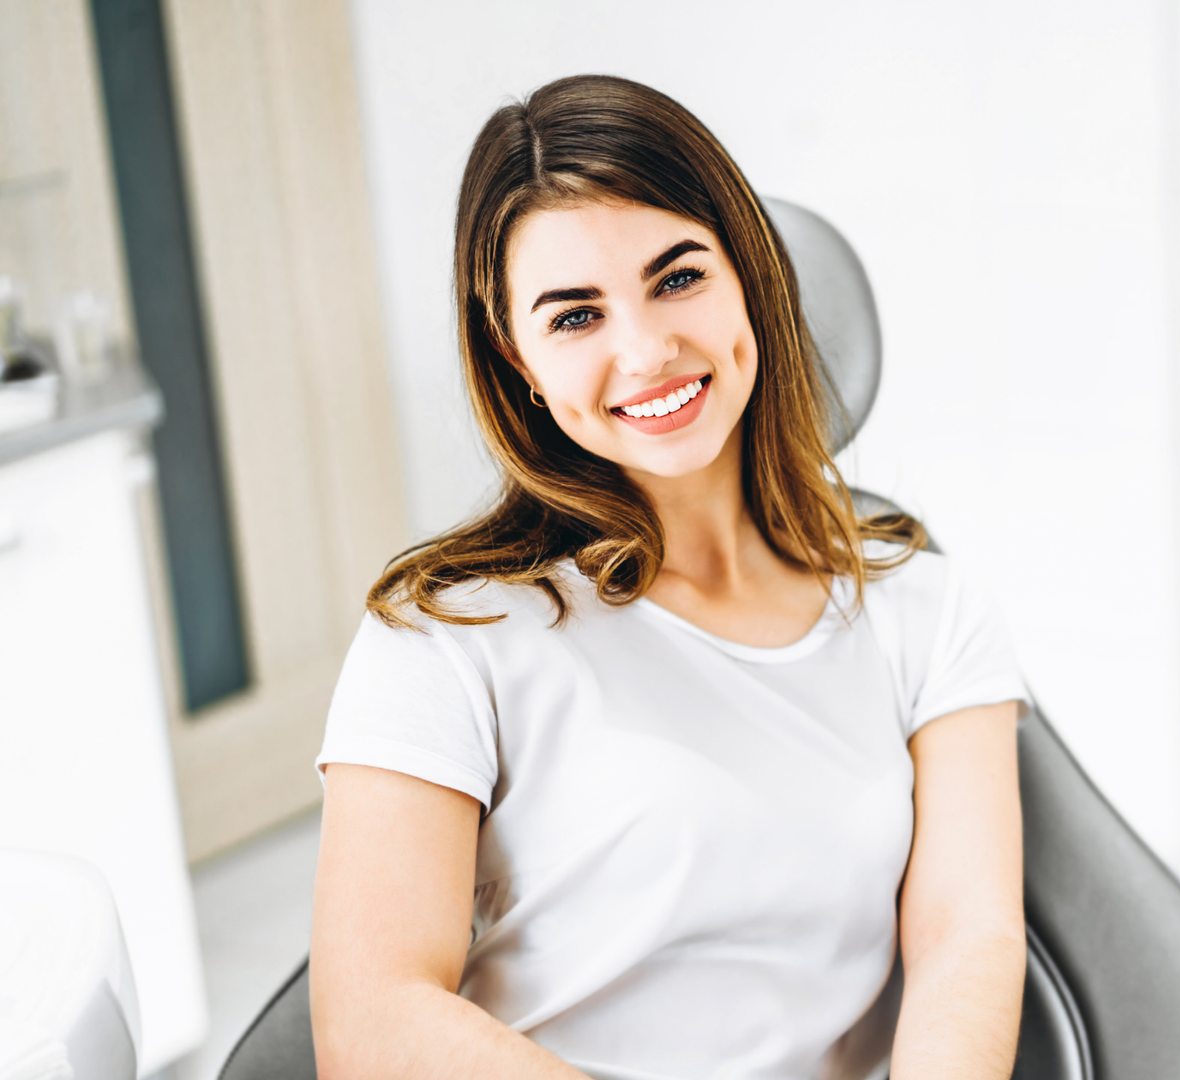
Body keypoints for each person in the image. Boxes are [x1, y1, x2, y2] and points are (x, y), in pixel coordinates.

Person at [308, 74, 1029, 1080]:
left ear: (750, 275)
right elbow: (373, 1023)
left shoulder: (927, 612)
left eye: (678, 277)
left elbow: (968, 941)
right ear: (518, 359)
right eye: (575, 317)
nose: (646, 350)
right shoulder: (444, 636)